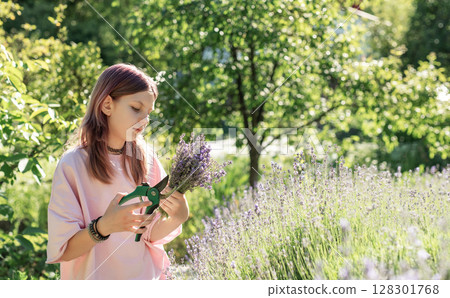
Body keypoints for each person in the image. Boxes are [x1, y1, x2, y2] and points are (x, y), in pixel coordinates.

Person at [46, 63, 189, 280]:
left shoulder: (147, 160)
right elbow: (64, 250)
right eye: (135, 108)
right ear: (106, 105)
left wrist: (178, 217)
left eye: (149, 112)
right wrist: (103, 227)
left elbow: (147, 236)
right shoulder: (72, 165)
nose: (145, 119)